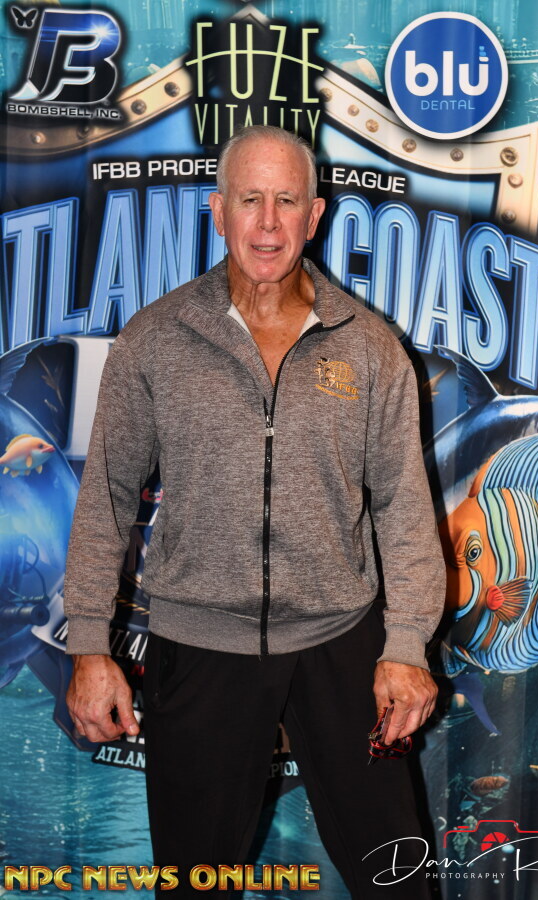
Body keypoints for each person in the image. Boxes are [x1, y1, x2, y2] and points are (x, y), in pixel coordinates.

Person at [64, 125, 446, 898]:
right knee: (195, 885)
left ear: (315, 215)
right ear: (218, 211)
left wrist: (406, 646)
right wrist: (89, 648)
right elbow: (104, 500)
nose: (268, 223)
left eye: (286, 201)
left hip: (343, 645)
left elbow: (406, 510)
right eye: (249, 200)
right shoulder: (155, 340)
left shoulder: (371, 348)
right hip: (198, 645)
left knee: (398, 880)